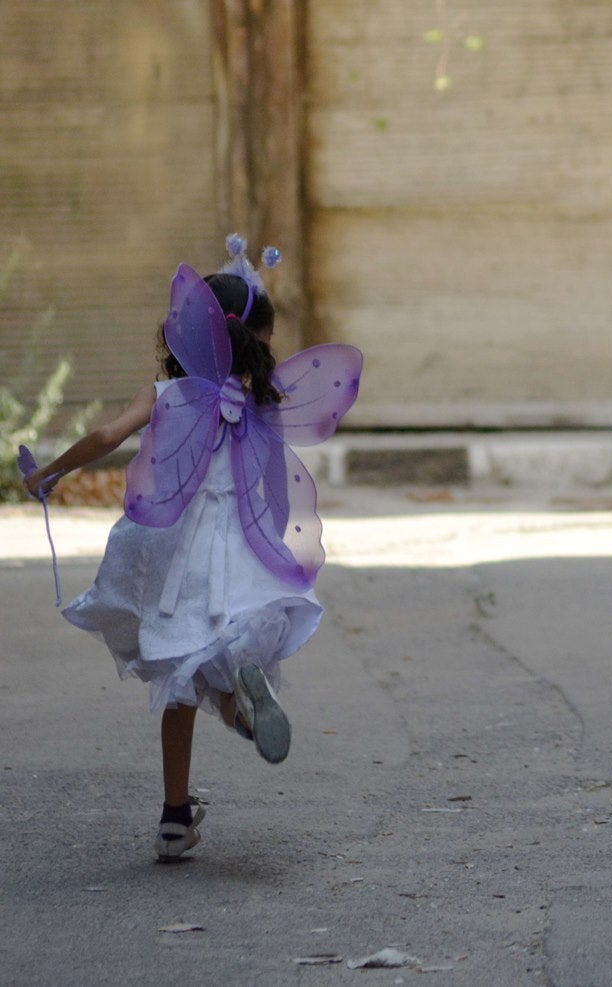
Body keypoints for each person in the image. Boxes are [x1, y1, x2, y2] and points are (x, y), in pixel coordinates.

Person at [22, 240, 355, 864]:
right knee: (220, 658)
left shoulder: (165, 394)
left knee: (181, 677)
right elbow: (272, 484)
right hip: (237, 546)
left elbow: (107, 435)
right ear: (257, 341)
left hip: (174, 550)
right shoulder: (260, 403)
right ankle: (244, 707)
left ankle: (175, 818)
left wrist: (50, 472)